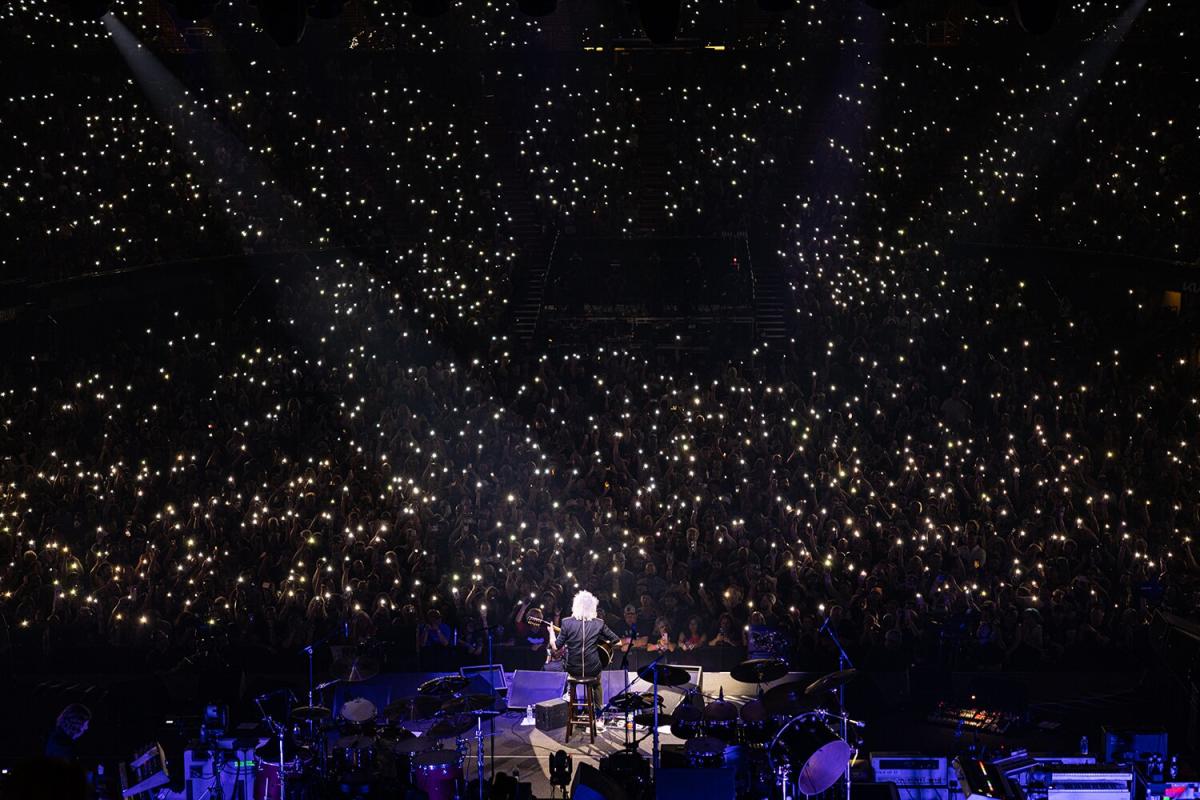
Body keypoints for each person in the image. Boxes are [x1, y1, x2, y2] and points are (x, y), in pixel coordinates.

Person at [546, 590, 621, 680]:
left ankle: (571, 692)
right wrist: (603, 647)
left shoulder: (566, 622)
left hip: (573, 668)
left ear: (575, 606)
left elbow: (555, 647)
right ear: (593, 606)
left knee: (570, 677)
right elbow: (618, 642)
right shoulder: (599, 623)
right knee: (597, 682)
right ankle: (595, 692)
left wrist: (551, 632)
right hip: (593, 669)